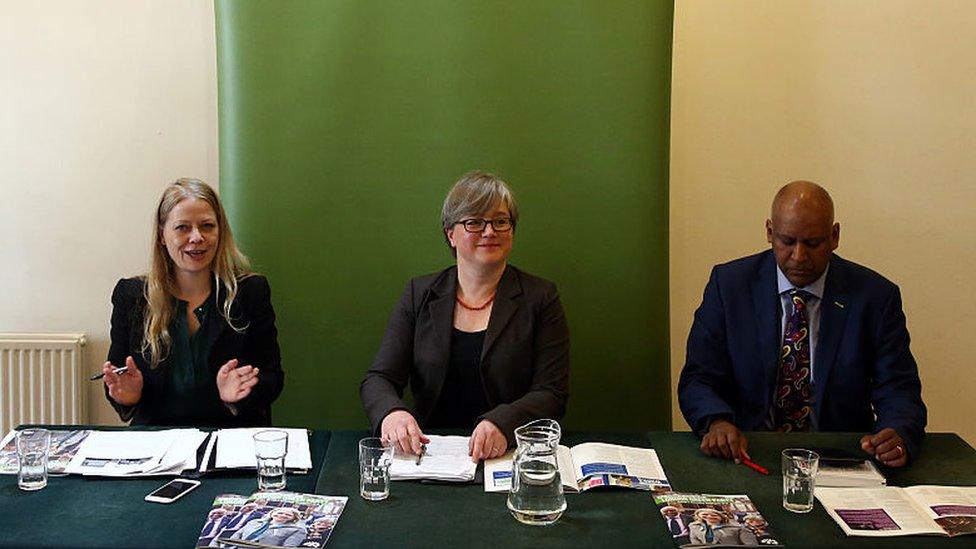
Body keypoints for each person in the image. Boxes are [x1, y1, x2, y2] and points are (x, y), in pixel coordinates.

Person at [678, 181, 926, 467]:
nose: (799, 256)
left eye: (812, 243)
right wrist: (716, 421)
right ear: (770, 232)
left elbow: (899, 388)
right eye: (787, 241)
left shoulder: (875, 297)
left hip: (839, 458)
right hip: (747, 453)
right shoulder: (730, 286)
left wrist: (897, 434)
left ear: (834, 236)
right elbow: (699, 377)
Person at [360, 171, 570, 461]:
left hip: (508, 455)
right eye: (474, 222)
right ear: (451, 234)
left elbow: (551, 392)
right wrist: (392, 414)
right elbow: (379, 379)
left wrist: (503, 423)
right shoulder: (418, 294)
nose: (489, 231)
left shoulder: (541, 297)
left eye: (500, 221)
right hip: (430, 454)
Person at [102, 178, 283, 426]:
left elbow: (272, 377)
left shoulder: (250, 292)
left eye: (207, 226)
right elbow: (119, 377)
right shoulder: (132, 297)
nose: (197, 237)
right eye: (182, 228)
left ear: (220, 231)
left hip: (231, 439)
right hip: (157, 442)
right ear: (162, 235)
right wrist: (128, 397)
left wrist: (239, 395)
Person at [227, 507, 307, 547]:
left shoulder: (298, 530)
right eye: (280, 513)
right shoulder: (254, 522)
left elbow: (288, 547)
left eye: (288, 515)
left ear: (294, 518)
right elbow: (236, 535)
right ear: (272, 513)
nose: (282, 515)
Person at [687, 509, 758, 545]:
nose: (709, 517)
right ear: (699, 517)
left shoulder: (738, 528)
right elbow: (696, 545)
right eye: (705, 515)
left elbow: (751, 545)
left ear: (721, 517)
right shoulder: (694, 528)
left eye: (714, 515)